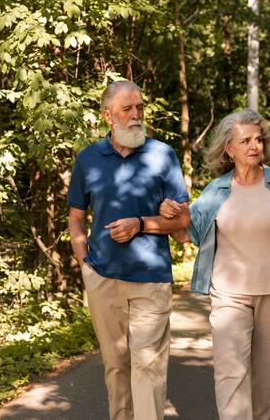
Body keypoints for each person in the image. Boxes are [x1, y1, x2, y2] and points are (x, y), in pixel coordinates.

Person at [161, 109, 270, 420]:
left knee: (266, 381)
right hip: (229, 296)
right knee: (230, 375)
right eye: (246, 140)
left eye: (258, 139)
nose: (255, 146)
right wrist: (170, 213)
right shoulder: (216, 191)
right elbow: (187, 232)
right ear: (229, 148)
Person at [67, 80, 190, 420]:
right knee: (116, 365)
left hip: (151, 277)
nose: (136, 115)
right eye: (127, 109)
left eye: (140, 108)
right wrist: (85, 266)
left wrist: (144, 221)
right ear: (108, 115)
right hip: (102, 278)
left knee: (147, 367)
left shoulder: (162, 154)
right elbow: (76, 218)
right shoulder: (88, 159)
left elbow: (184, 222)